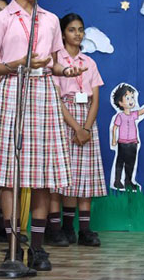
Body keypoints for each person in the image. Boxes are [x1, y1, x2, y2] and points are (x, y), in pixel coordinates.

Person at [0, 0, 86, 271]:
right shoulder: (2, 19)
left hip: (43, 93)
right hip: (13, 91)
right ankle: (12, 245)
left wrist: (65, 71)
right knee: (9, 174)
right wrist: (19, 64)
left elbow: (54, 62)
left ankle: (38, 249)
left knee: (42, 177)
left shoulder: (51, 19)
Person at [46, 13, 107, 248]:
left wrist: (86, 128)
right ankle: (60, 228)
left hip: (86, 120)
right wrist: (75, 127)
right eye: (72, 30)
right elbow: (56, 99)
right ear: (62, 34)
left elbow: (95, 99)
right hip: (64, 119)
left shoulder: (89, 62)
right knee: (62, 178)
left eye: (80, 29)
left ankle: (84, 230)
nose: (77, 34)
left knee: (85, 177)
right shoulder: (56, 62)